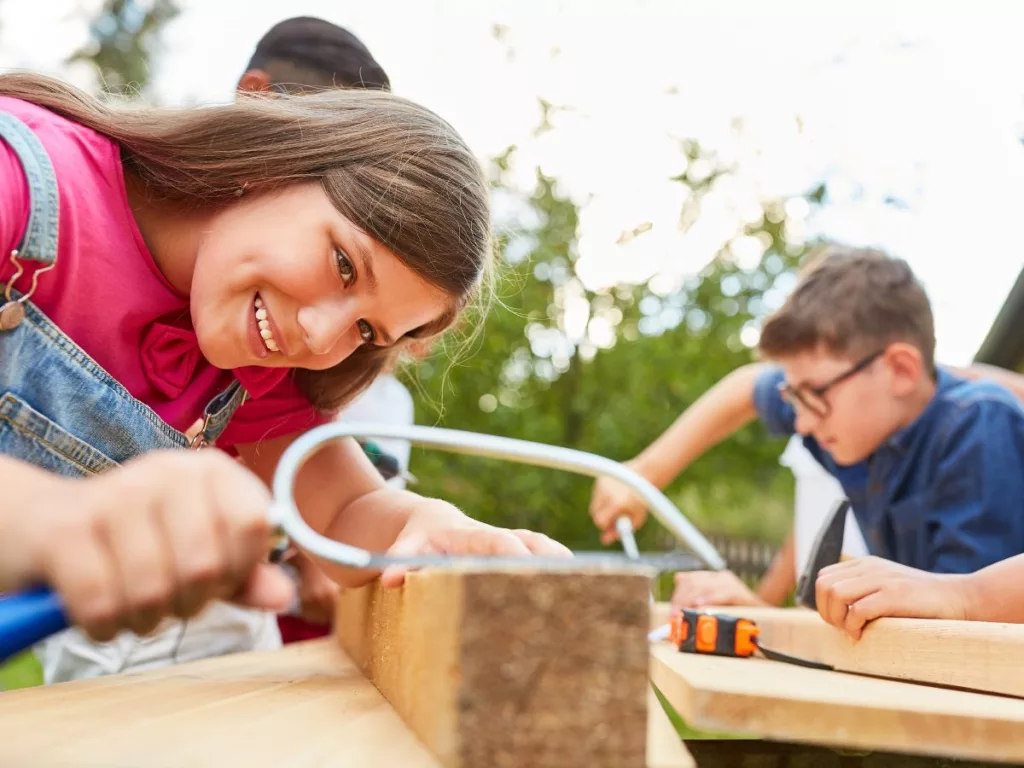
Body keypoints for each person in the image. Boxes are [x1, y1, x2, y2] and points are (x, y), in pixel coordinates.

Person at [0, 70, 568, 682]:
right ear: (278, 166)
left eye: (367, 332)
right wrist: (58, 520)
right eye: (345, 265)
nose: (323, 339)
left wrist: (426, 524)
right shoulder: (22, 178)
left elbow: (346, 507)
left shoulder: (247, 367)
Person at [590, 246, 1024, 617]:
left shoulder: (979, 430)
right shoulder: (854, 412)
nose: (801, 423)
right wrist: (645, 473)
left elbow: (960, 631)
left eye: (813, 394)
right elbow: (746, 386)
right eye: (792, 395)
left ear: (901, 370)